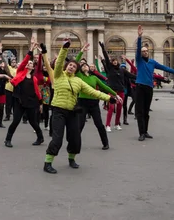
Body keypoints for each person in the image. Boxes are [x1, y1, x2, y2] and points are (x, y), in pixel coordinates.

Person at [43, 40, 122, 174]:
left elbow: (93, 91)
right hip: (58, 110)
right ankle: (48, 162)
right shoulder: (58, 75)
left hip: (72, 111)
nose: (71, 67)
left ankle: (71, 159)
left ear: (76, 69)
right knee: (57, 138)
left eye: (74, 66)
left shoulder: (78, 81)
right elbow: (60, 61)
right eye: (70, 65)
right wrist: (64, 48)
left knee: (75, 138)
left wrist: (109, 98)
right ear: (66, 66)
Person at [134, 25, 174, 141]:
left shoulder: (152, 62)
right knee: (140, 111)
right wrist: (140, 37)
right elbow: (138, 47)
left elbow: (165, 68)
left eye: (146, 51)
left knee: (146, 111)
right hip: (140, 87)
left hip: (149, 87)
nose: (144, 52)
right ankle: (141, 133)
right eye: (142, 51)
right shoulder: (139, 61)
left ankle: (146, 131)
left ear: (148, 52)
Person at [4, 41, 44, 148]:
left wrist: (40, 102)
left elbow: (37, 91)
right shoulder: (20, 72)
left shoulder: (34, 78)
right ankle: (8, 139)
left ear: (32, 67)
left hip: (31, 102)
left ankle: (40, 137)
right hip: (19, 101)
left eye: (31, 63)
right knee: (16, 121)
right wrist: (30, 50)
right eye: (28, 63)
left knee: (33, 122)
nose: (29, 63)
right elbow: (25, 60)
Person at [76, 60, 117, 150]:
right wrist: (82, 50)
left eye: (86, 65)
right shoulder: (79, 76)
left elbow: (104, 86)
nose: (84, 66)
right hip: (82, 102)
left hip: (94, 103)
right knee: (80, 124)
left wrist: (115, 94)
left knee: (99, 124)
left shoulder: (94, 78)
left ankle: (105, 143)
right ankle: (75, 143)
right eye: (82, 66)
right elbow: (75, 62)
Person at [97, 43, 135, 131]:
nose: (114, 61)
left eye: (116, 61)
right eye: (113, 61)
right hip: (112, 90)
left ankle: (117, 124)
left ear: (117, 62)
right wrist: (103, 48)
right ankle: (107, 125)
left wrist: (141, 77)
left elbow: (131, 75)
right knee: (111, 108)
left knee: (119, 108)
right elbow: (106, 58)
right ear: (111, 63)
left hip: (121, 90)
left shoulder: (122, 70)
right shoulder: (110, 69)